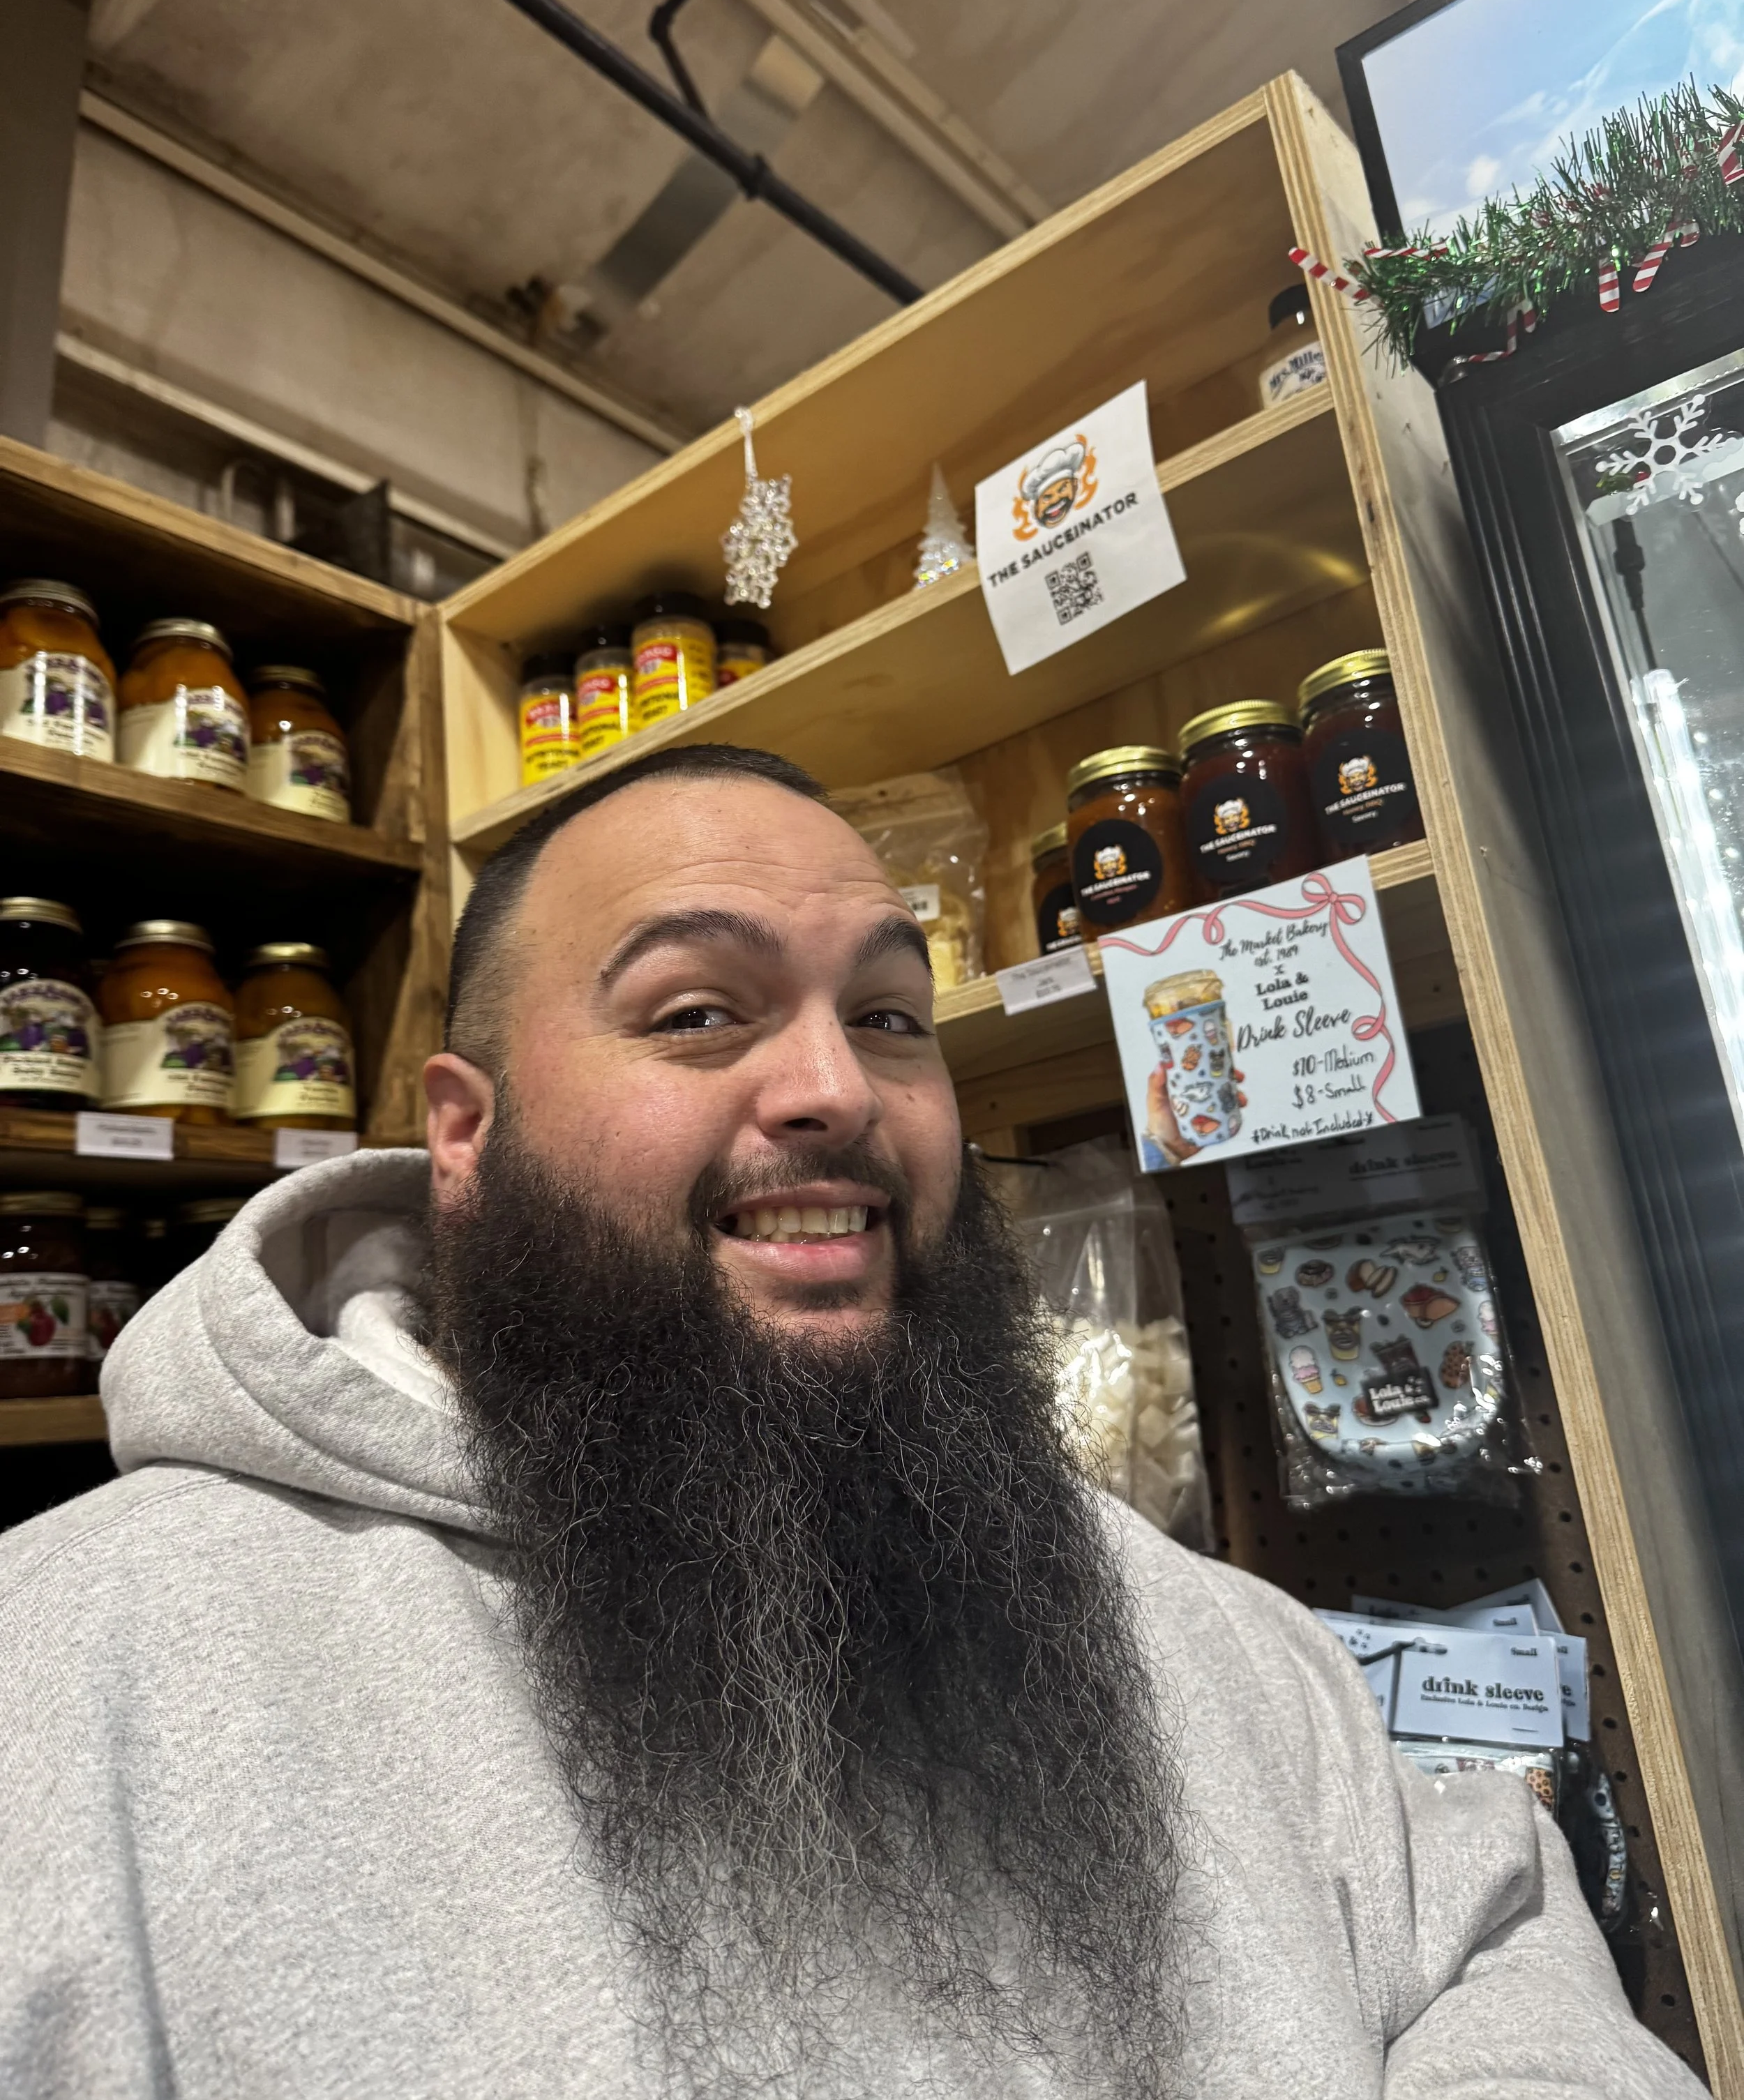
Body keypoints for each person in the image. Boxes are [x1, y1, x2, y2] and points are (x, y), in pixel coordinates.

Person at [0, 742, 1706, 2099]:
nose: (830, 1087)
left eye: (888, 1014)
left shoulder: (1207, 1639)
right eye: (695, 1013)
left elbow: (1486, 1946)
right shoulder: (91, 1662)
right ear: (462, 1134)